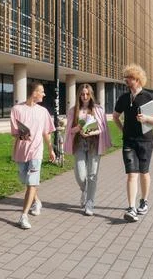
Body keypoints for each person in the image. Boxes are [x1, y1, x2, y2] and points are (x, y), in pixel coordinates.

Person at [113, 64, 153, 222]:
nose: (126, 80)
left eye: (129, 78)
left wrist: (147, 119)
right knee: (131, 174)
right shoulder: (123, 98)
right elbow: (115, 116)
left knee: (144, 172)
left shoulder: (149, 97)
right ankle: (131, 207)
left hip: (146, 141)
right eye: (125, 77)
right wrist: (123, 130)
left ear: (137, 79)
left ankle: (144, 201)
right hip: (129, 141)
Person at [10, 82, 55, 229]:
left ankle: (23, 216)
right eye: (41, 91)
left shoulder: (43, 112)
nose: (44, 94)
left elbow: (46, 132)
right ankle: (37, 201)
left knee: (32, 182)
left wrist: (51, 149)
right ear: (33, 93)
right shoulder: (17, 109)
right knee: (25, 179)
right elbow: (15, 132)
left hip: (37, 151)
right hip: (21, 151)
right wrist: (22, 135)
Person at [64, 84, 111, 216]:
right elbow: (69, 131)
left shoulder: (98, 110)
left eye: (87, 94)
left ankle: (90, 202)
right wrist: (79, 127)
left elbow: (103, 129)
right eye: (82, 94)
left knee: (92, 175)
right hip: (79, 144)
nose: (85, 97)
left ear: (91, 95)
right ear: (79, 95)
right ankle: (85, 191)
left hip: (94, 144)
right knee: (80, 175)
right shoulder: (73, 111)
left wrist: (90, 133)